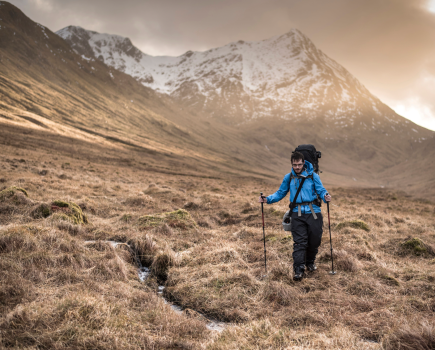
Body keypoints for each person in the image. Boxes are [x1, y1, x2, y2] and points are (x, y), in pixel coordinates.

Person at [258, 151, 331, 281]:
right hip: (297, 214)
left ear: (304, 163)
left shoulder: (313, 176)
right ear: (291, 164)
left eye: (299, 164)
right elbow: (280, 193)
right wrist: (267, 199)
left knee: (315, 241)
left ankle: (310, 262)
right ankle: (298, 269)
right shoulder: (289, 177)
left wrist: (325, 197)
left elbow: (321, 190)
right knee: (299, 242)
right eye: (294, 165)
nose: (297, 167)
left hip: (313, 213)